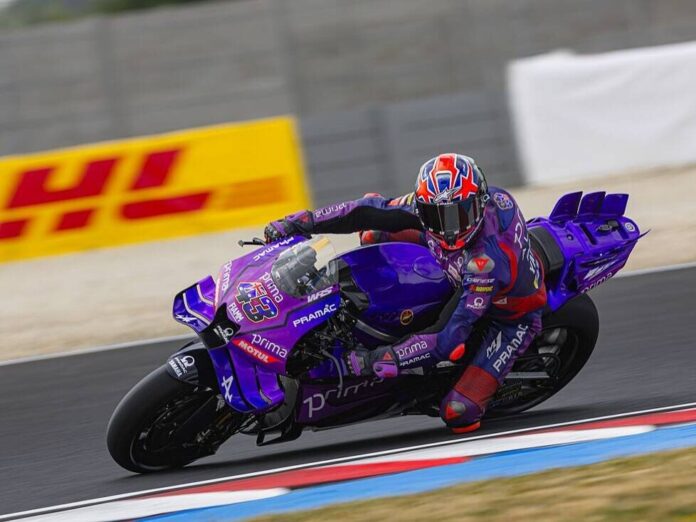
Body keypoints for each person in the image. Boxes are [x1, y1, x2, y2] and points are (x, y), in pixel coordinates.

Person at [264, 153, 546, 433]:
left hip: (509, 316)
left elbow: (446, 340)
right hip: (459, 267)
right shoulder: (438, 209)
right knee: (372, 231)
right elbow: (367, 209)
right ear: (422, 206)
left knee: (459, 413)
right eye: (436, 215)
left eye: (459, 214)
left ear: (480, 204)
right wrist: (299, 222)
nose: (449, 228)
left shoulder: (486, 263)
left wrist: (370, 361)